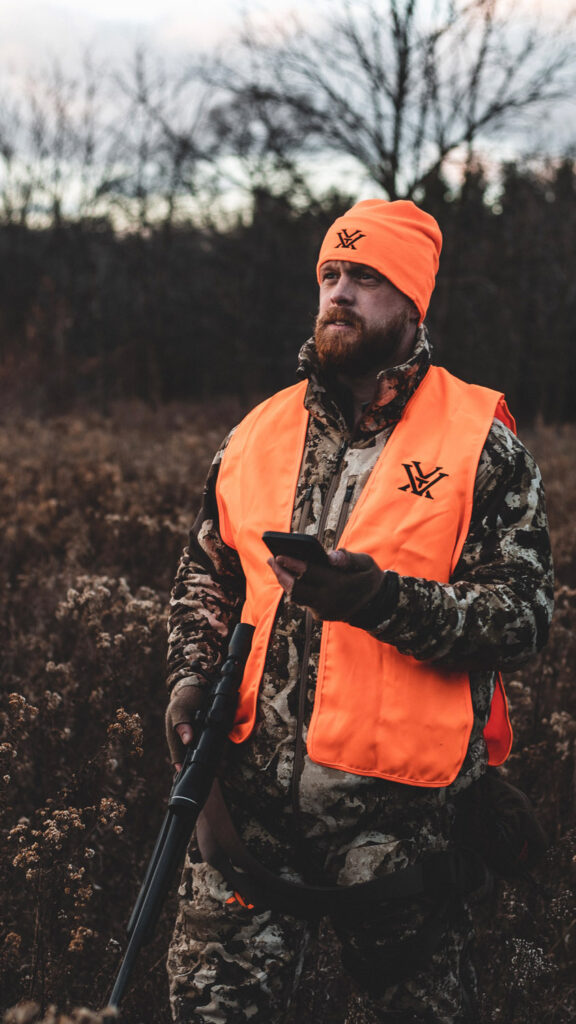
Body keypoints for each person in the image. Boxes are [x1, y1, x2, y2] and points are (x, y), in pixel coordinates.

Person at [164, 200, 554, 1023]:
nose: (339, 293)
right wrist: (189, 681)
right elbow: (208, 575)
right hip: (246, 817)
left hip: (404, 828)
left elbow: (523, 617)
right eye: (330, 275)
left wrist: (381, 601)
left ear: (413, 301)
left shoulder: (479, 441)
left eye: (366, 277)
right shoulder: (256, 432)